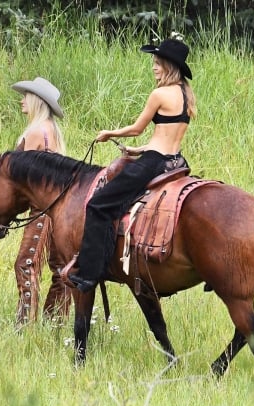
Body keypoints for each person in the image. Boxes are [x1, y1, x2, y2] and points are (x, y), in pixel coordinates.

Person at [65, 38, 196, 293]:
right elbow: (167, 135)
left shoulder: (159, 94)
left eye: (158, 64)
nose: (154, 68)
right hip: (176, 162)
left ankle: (89, 274)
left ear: (169, 66)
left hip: (155, 163)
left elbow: (137, 129)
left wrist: (109, 134)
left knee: (98, 204)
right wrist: (138, 151)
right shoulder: (185, 94)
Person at [10, 77, 70, 324]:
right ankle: (54, 322)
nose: (22, 100)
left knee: (26, 264)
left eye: (26, 96)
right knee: (60, 267)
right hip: (60, 206)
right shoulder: (51, 129)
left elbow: (21, 175)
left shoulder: (36, 131)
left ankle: (25, 324)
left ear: (37, 101)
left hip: (43, 207)